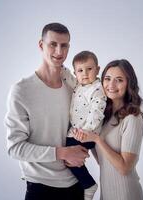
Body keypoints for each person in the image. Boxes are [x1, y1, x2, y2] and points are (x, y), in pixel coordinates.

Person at [5, 22, 89, 200]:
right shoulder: (21, 90)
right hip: (40, 187)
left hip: (76, 184)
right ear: (41, 45)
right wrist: (63, 153)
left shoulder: (73, 87)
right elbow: (15, 147)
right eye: (53, 44)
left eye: (64, 45)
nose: (59, 51)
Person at [74, 59, 143, 200]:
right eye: (107, 79)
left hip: (126, 194)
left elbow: (125, 168)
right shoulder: (104, 117)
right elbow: (104, 161)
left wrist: (96, 139)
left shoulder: (132, 119)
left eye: (119, 80)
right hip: (107, 193)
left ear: (129, 84)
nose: (111, 85)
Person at [61, 51, 107, 200]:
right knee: (67, 155)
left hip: (86, 133)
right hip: (76, 131)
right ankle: (83, 183)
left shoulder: (97, 89)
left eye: (89, 69)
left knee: (68, 152)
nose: (85, 74)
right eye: (80, 71)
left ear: (98, 70)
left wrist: (85, 132)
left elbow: (97, 112)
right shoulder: (79, 85)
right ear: (76, 73)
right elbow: (68, 75)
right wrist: (60, 67)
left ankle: (89, 185)